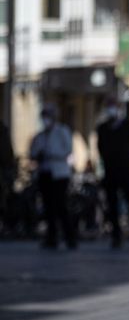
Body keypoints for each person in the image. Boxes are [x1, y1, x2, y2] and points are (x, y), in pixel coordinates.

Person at [97, 97, 129, 249]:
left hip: (126, 171)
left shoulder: (127, 126)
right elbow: (101, 149)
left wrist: (127, 160)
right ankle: (116, 237)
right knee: (112, 206)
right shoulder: (103, 128)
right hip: (110, 172)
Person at [29, 105, 77, 249]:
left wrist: (51, 154)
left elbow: (68, 149)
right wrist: (38, 155)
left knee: (61, 206)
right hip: (45, 173)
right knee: (48, 207)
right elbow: (32, 152)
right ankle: (52, 237)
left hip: (60, 174)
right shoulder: (40, 135)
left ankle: (70, 238)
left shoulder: (62, 131)